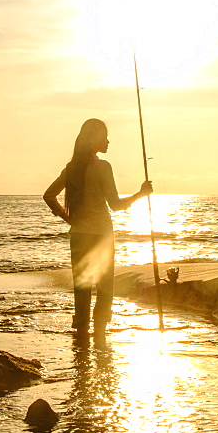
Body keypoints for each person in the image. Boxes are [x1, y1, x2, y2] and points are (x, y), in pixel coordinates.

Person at [43, 118, 152, 342]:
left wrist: (69, 219)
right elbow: (115, 205)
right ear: (94, 139)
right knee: (104, 289)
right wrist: (141, 194)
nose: (108, 141)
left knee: (82, 290)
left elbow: (49, 196)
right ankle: (100, 339)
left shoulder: (72, 168)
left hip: (79, 237)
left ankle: (81, 341)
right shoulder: (103, 167)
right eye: (104, 136)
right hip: (102, 236)